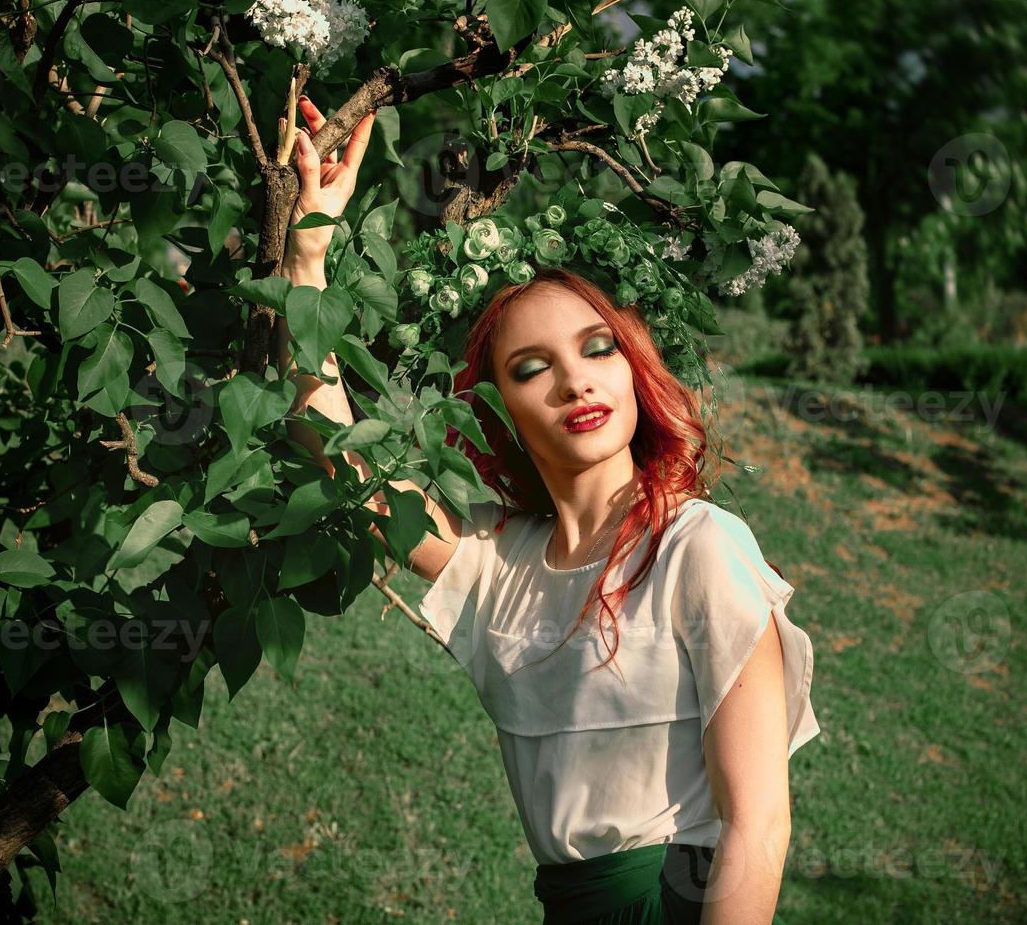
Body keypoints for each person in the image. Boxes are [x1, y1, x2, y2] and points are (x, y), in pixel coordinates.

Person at [272, 93, 821, 924]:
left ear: (634, 368)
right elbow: (346, 459)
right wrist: (307, 256)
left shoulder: (699, 547)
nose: (575, 381)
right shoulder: (499, 564)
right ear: (497, 409)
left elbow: (760, 827)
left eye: (598, 348)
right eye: (532, 368)